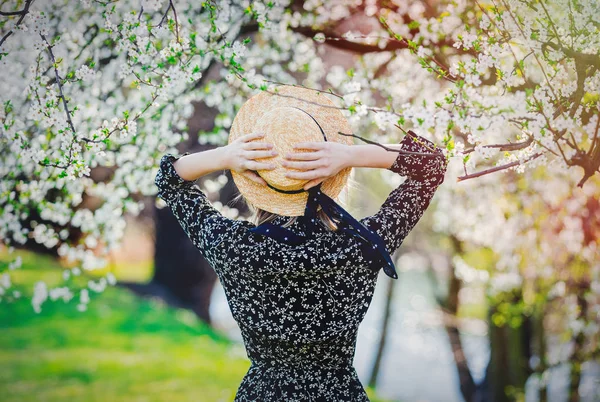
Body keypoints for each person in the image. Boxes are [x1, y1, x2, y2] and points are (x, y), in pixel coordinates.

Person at [155, 86, 449, 401]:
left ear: (254, 182)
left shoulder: (232, 248)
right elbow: (431, 165)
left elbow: (170, 181)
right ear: (332, 176)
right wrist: (350, 154)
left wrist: (227, 156)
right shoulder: (360, 247)